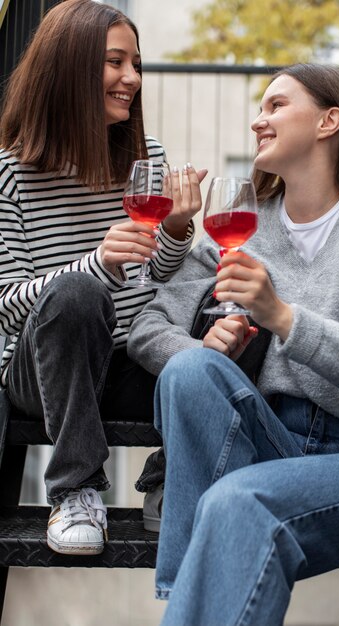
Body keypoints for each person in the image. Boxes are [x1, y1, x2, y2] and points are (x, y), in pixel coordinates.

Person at [128, 63, 339, 625]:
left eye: (277, 105)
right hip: (269, 439)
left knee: (238, 502)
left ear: (330, 120)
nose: (259, 120)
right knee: (192, 372)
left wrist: (282, 317)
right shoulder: (241, 222)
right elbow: (147, 326)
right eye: (260, 109)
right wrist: (211, 348)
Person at [0, 0, 206, 556]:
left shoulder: (147, 158)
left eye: (136, 64)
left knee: (233, 303)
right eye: (116, 63)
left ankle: (170, 477)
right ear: (69, 67)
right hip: (43, 374)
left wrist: (179, 231)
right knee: (76, 292)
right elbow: (5, 306)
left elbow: (153, 275)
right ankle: (75, 491)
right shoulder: (10, 173)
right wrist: (93, 265)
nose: (132, 79)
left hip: (128, 359)